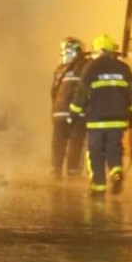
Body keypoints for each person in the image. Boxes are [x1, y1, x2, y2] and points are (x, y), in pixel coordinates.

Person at [69, 34, 132, 197]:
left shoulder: (91, 67)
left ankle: (98, 188)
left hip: (97, 120)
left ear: (97, 50)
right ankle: (116, 172)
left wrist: (74, 113)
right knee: (114, 148)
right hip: (118, 120)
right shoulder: (123, 68)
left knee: (95, 152)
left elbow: (81, 93)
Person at [50, 36, 89, 179]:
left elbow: (53, 93)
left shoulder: (59, 70)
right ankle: (73, 173)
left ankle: (55, 170)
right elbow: (86, 89)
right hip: (77, 113)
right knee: (76, 142)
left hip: (58, 113)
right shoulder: (85, 66)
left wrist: (55, 110)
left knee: (58, 142)